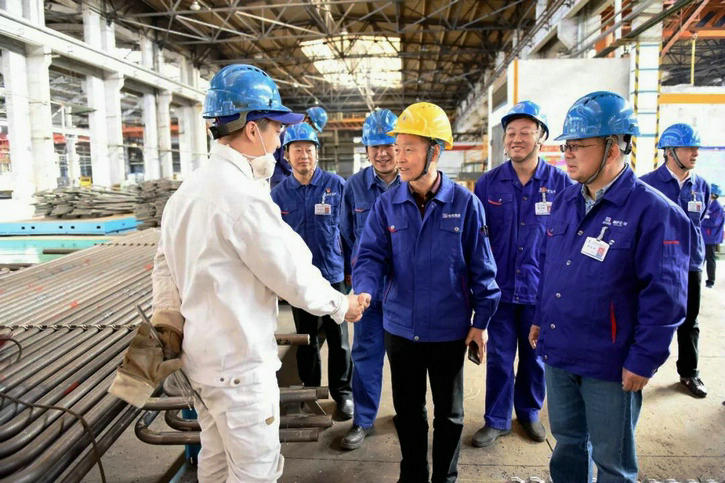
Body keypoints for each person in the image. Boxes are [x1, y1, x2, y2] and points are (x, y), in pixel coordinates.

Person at [109, 64, 367, 483]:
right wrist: (342, 305)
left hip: (201, 364)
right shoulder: (242, 197)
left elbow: (164, 266)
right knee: (254, 473)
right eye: (277, 128)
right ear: (251, 129)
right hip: (239, 371)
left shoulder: (188, 191)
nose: (280, 140)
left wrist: (167, 320)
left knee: (215, 462)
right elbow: (291, 273)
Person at [528, 91, 690, 482]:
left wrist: (644, 359)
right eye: (566, 146)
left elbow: (665, 298)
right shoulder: (565, 201)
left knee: (612, 461)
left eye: (578, 146)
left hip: (611, 364)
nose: (567, 155)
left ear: (614, 147)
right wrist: (540, 317)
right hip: (560, 351)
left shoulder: (654, 212)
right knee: (568, 442)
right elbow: (552, 267)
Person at [353, 102, 501, 483]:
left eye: (408, 149)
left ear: (434, 152)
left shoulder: (465, 205)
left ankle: (445, 478)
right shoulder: (387, 205)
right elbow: (369, 255)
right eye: (397, 148)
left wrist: (481, 322)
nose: (398, 158)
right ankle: (413, 474)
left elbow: (483, 270)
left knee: (450, 414)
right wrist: (365, 290)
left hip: (449, 330)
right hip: (400, 328)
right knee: (407, 411)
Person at [472, 101, 573, 448]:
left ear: (541, 138)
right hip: (498, 290)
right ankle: (496, 419)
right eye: (511, 133)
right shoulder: (488, 184)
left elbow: (569, 240)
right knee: (499, 358)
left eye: (525, 133)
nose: (516, 139)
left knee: (536, 357)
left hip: (541, 290)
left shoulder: (562, 184)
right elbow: (477, 240)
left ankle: (529, 412)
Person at [271, 122, 354, 419]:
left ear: (317, 153)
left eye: (308, 149)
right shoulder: (278, 194)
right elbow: (274, 241)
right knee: (307, 340)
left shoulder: (336, 185)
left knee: (339, 340)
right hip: (299, 281)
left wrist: (350, 270)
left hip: (333, 275)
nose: (303, 155)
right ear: (286, 155)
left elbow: (348, 232)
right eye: (297, 150)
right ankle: (311, 392)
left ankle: (343, 394)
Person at [339, 109, 400, 450]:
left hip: (406, 291)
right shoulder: (355, 186)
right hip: (367, 292)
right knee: (365, 355)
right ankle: (363, 420)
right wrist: (360, 277)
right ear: (366, 150)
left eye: (388, 145)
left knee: (407, 358)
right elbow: (347, 235)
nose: (382, 153)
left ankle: (409, 413)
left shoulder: (413, 182)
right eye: (375, 147)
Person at [640, 123, 709, 399]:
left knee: (690, 322)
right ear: (669, 151)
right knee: (648, 317)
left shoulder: (701, 186)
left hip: (691, 265)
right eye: (688, 148)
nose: (695, 153)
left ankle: (689, 373)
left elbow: (698, 223)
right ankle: (639, 367)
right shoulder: (646, 184)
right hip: (657, 265)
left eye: (696, 148)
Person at [270, 106, 328, 188]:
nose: (313, 132)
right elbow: (286, 161)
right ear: (307, 120)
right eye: (314, 128)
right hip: (280, 177)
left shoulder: (296, 132)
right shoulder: (292, 133)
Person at [703, 184, 724, 287]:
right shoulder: (706, 204)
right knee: (699, 258)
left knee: (710, 259)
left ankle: (710, 281)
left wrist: (701, 220)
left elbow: (714, 223)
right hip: (703, 237)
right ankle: (694, 278)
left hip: (710, 238)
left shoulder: (717, 207)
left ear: (713, 195)